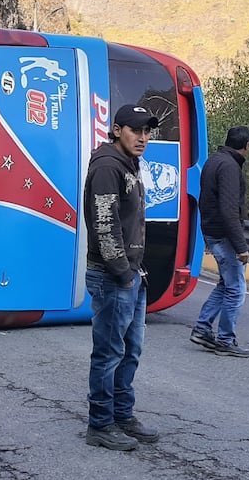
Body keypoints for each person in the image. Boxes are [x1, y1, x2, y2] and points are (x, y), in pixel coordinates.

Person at [82, 103, 161, 451]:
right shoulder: (107, 167)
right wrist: (123, 274)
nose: (142, 137)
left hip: (131, 273)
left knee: (131, 350)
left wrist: (133, 273)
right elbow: (104, 225)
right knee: (109, 353)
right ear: (117, 130)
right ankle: (100, 424)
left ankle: (122, 415)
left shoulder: (129, 163)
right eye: (135, 130)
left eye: (147, 131)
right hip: (113, 275)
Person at [191, 126, 249, 358]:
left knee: (226, 285)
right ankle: (226, 340)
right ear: (247, 145)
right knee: (236, 289)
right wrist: (241, 247)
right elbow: (229, 210)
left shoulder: (213, 161)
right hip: (224, 235)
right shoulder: (229, 167)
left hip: (212, 231)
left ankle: (202, 328)